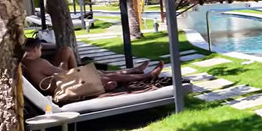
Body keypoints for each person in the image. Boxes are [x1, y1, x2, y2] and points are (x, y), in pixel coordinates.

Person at [21, 38, 164, 93]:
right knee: (106, 75)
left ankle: (135, 70)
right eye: (40, 49)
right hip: (63, 88)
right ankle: (146, 75)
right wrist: (64, 65)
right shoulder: (39, 63)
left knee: (67, 50)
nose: (41, 51)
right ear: (34, 50)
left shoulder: (26, 61)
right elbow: (62, 73)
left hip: (60, 82)